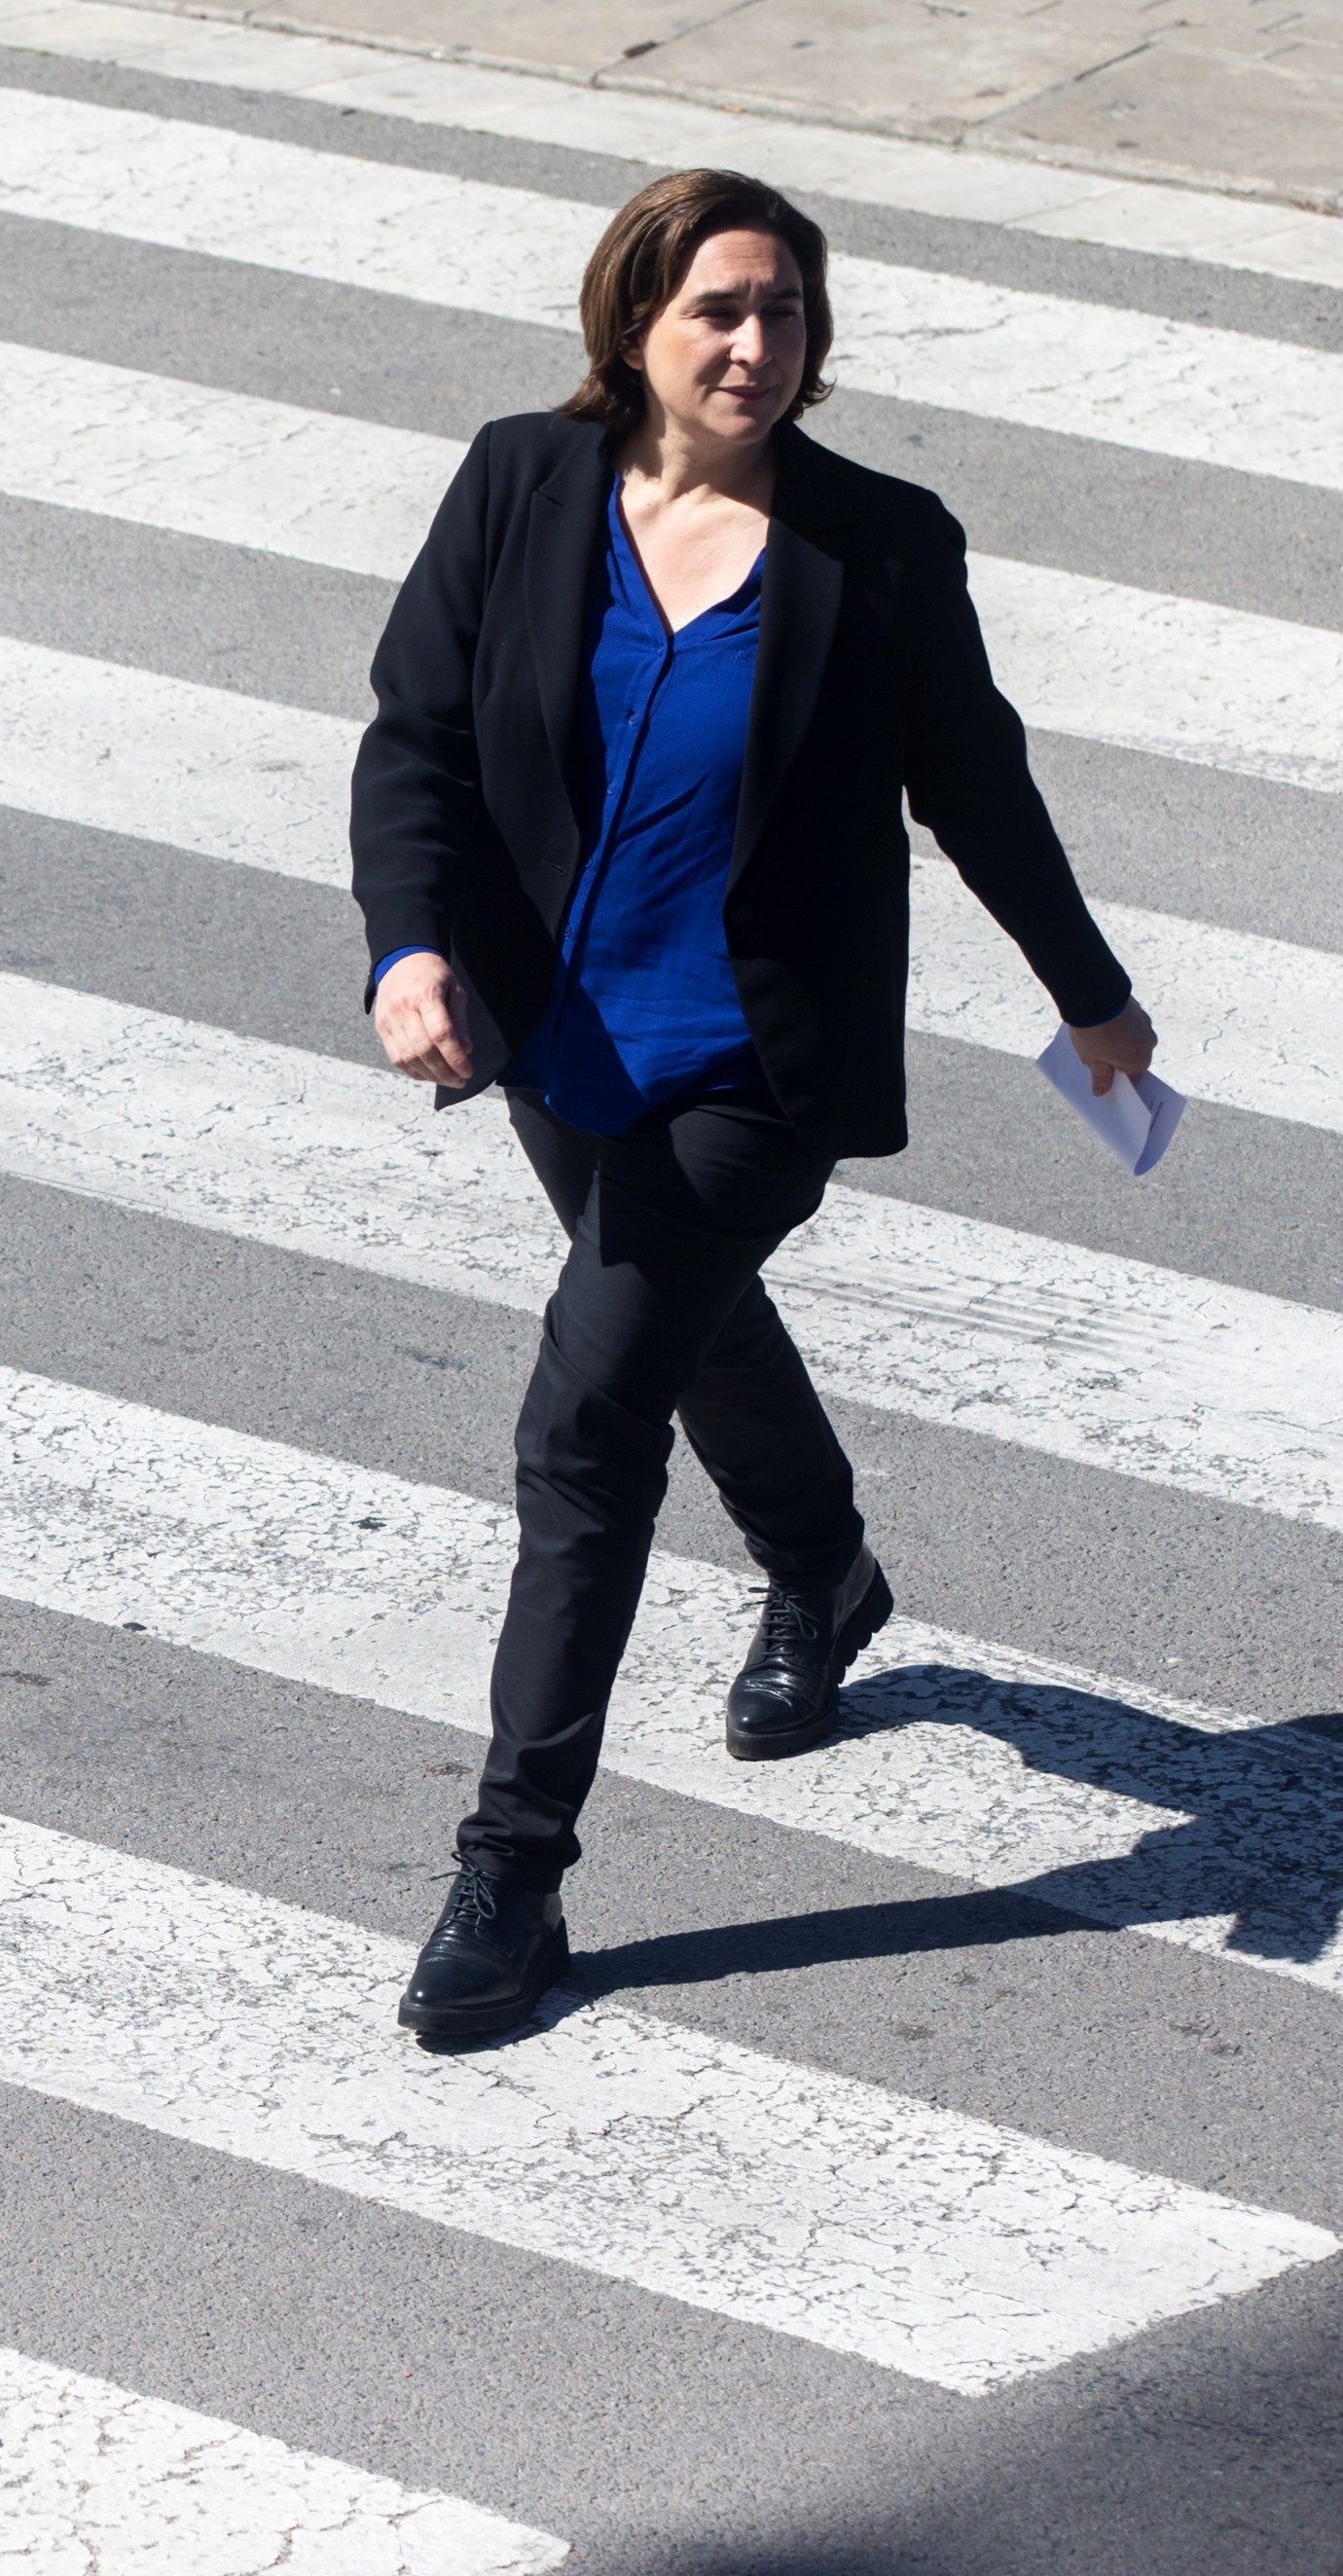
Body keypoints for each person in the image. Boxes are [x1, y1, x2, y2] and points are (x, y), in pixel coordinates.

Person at [348, 168, 1158, 2043]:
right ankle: (828, 1568)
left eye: (785, 311)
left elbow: (977, 784)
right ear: (631, 320)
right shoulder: (521, 486)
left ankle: (514, 1867)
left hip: (753, 1072)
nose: (755, 345)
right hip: (554, 1038)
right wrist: (410, 946)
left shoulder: (876, 548)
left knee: (587, 1422)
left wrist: (1090, 997)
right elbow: (418, 738)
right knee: (690, 1335)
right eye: (719, 308)